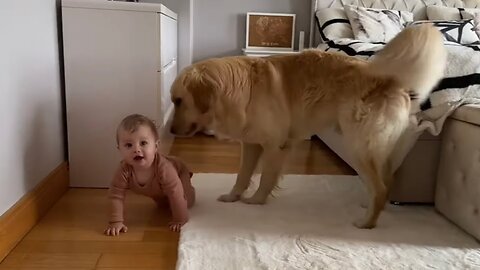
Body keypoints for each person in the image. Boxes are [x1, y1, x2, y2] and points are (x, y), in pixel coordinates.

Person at [104, 114, 195, 235]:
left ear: (156, 146)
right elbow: (115, 195)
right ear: (119, 149)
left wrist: (180, 219)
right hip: (157, 188)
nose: (136, 149)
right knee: (163, 205)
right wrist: (115, 222)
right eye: (129, 145)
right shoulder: (123, 171)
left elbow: (176, 193)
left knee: (186, 200)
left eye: (143, 143)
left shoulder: (165, 169)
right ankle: (164, 195)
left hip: (178, 172)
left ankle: (188, 183)